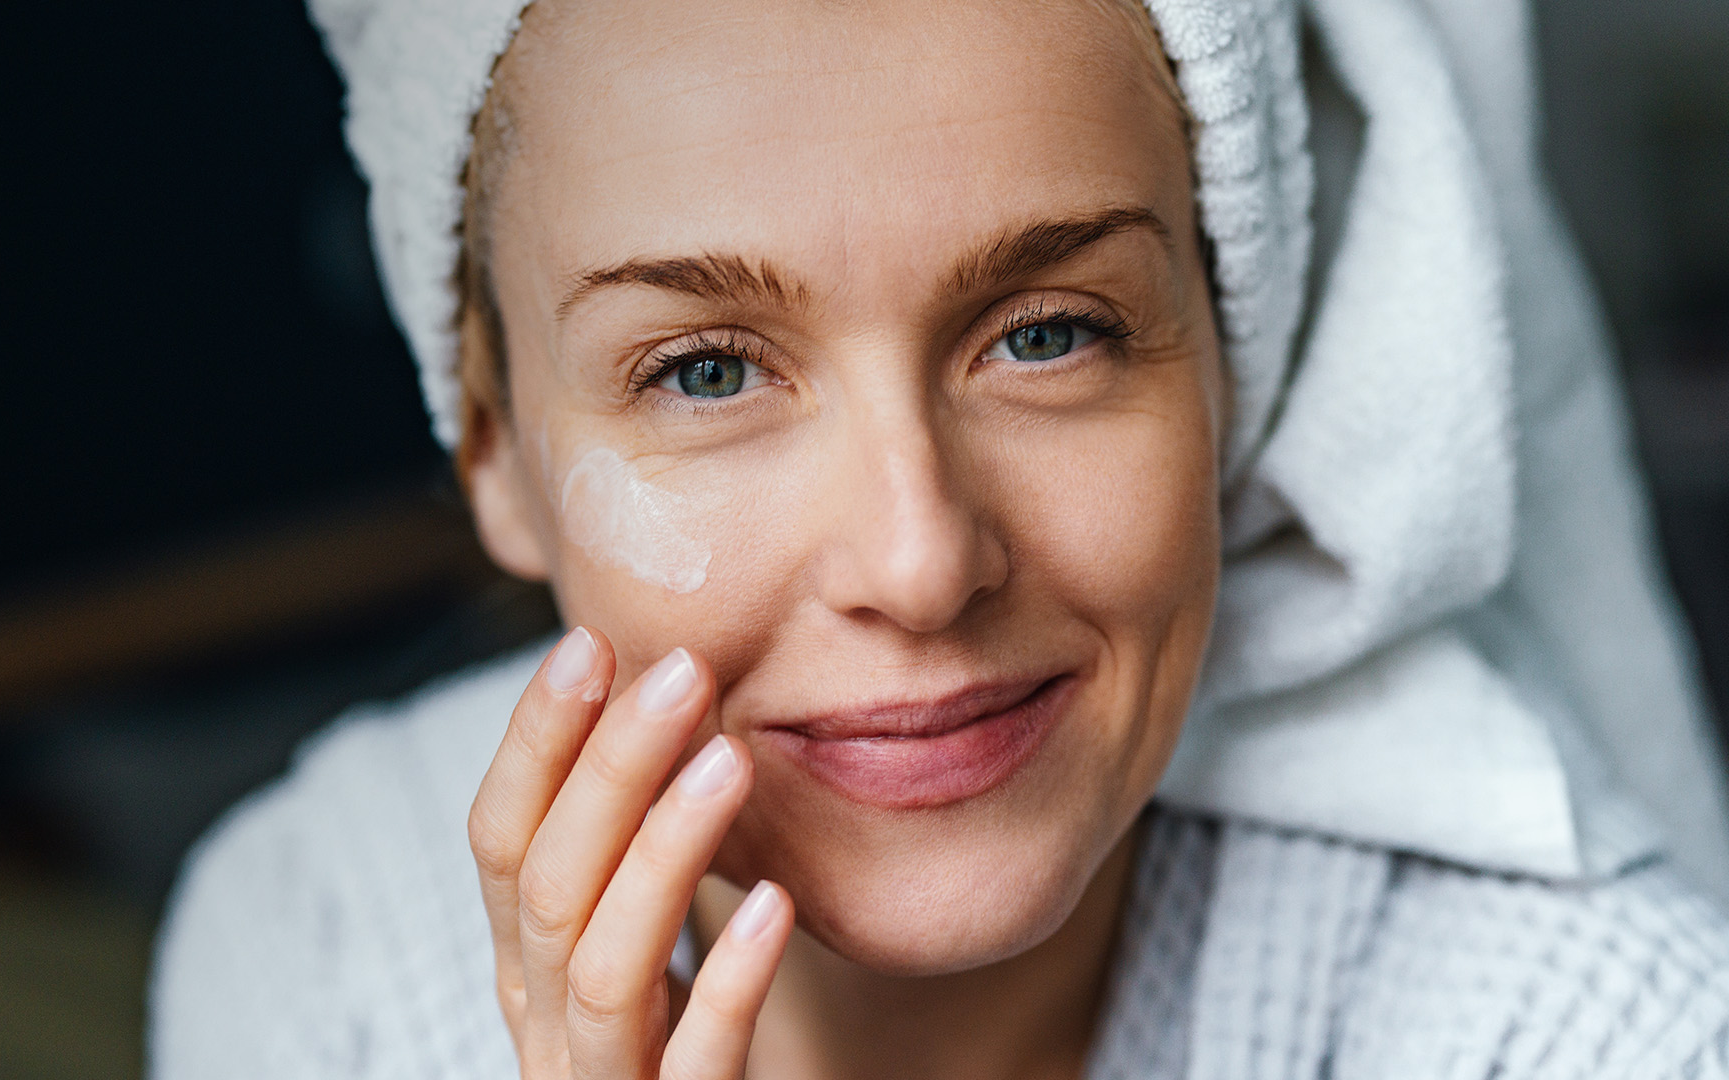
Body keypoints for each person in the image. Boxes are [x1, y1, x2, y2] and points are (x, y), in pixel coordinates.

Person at [149, 0, 1729, 1076]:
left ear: (1243, 368)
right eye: (706, 371)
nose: (917, 562)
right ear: (491, 445)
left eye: (1049, 335)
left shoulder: (1581, 1029)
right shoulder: (318, 938)